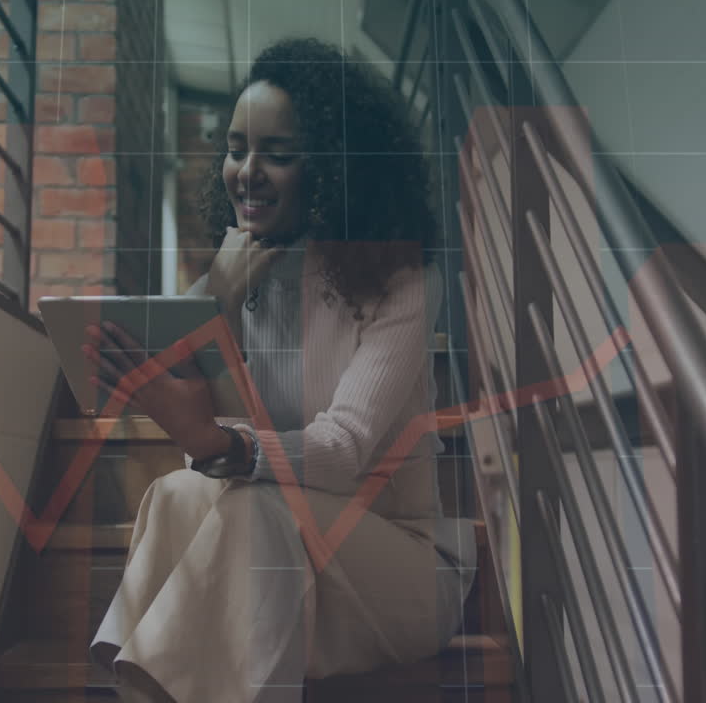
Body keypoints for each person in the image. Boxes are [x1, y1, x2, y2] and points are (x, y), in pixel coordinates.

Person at [85, 38, 478, 703]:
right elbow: (200, 447)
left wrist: (224, 444)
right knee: (181, 495)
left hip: (392, 565)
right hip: (273, 568)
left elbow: (343, 450)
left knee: (251, 509)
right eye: (236, 149)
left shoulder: (405, 280)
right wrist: (217, 298)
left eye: (278, 154)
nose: (247, 172)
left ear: (331, 167)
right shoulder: (232, 280)